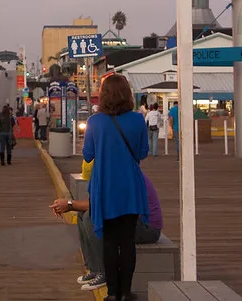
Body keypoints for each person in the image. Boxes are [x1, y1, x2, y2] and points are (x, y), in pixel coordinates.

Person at [83, 74, 149, 301]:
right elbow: (142, 153)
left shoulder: (94, 122)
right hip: (130, 187)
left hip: (105, 187)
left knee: (109, 241)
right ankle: (126, 292)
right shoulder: (138, 120)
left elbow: (88, 155)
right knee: (127, 241)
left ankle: (112, 294)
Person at [50, 170, 162, 292]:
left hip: (147, 228)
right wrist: (70, 205)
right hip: (130, 221)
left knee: (91, 217)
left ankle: (106, 273)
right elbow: (94, 201)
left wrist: (70, 204)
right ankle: (94, 269)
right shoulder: (111, 171)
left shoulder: (125, 174)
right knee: (82, 215)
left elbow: (101, 206)